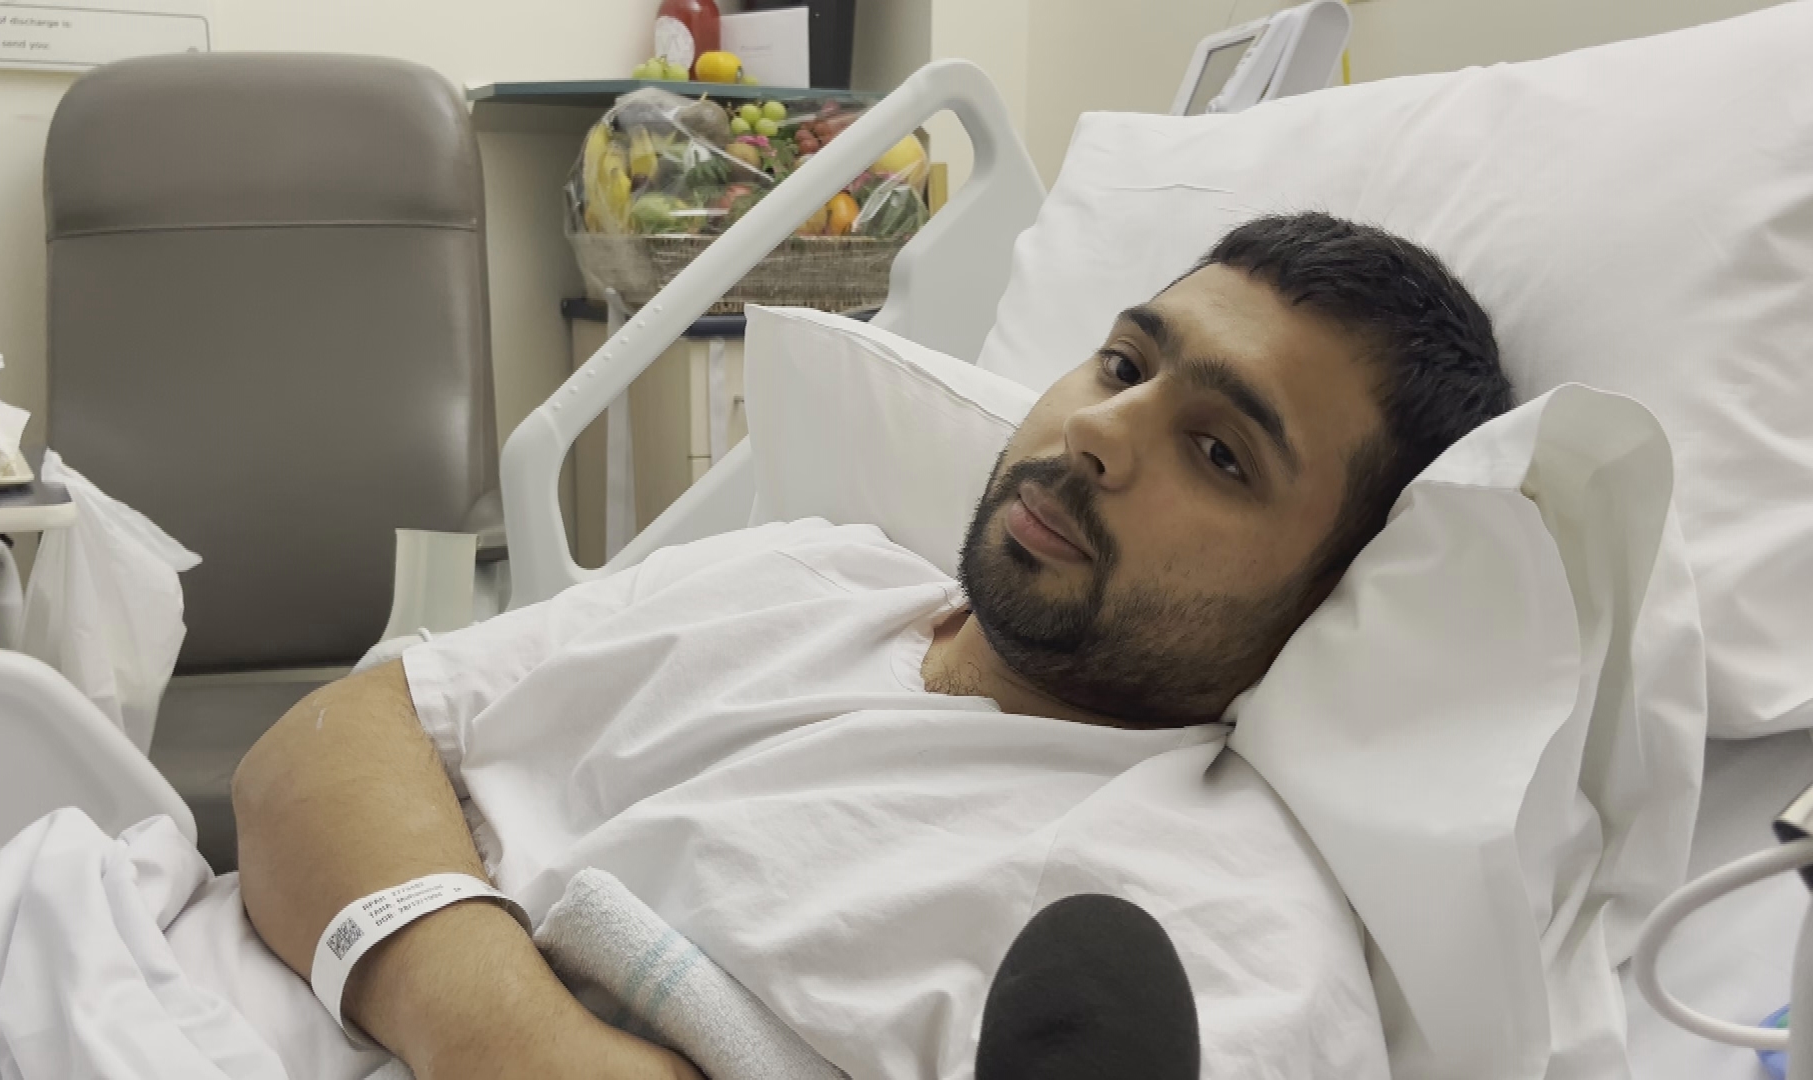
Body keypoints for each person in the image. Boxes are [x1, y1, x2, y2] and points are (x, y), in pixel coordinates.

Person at [231, 212, 1512, 1080]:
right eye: (1125, 365)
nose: (1101, 432)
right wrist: (510, 1042)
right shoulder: (803, 569)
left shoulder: (1207, 937)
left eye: (1220, 453)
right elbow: (316, 753)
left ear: (1327, 589)